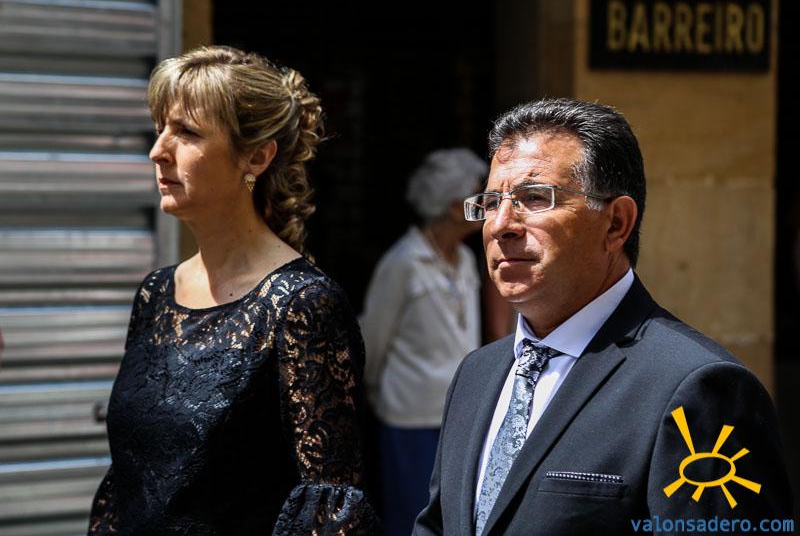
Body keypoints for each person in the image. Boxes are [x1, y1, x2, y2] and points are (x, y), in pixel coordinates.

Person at [414, 98, 793, 535]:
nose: (501, 225)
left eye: (533, 198)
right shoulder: (476, 375)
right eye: (491, 202)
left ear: (616, 224)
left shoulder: (699, 391)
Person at [88, 45, 378, 535]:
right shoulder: (156, 294)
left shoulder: (303, 305)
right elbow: (128, 484)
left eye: (187, 132)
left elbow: (327, 510)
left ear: (257, 157)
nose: (158, 150)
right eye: (160, 128)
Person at [359, 148, 486, 535]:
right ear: (454, 206)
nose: (489, 206)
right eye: (479, 197)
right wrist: (376, 392)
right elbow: (373, 339)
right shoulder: (404, 261)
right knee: (411, 516)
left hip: (458, 414)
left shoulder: (465, 259)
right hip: (410, 417)